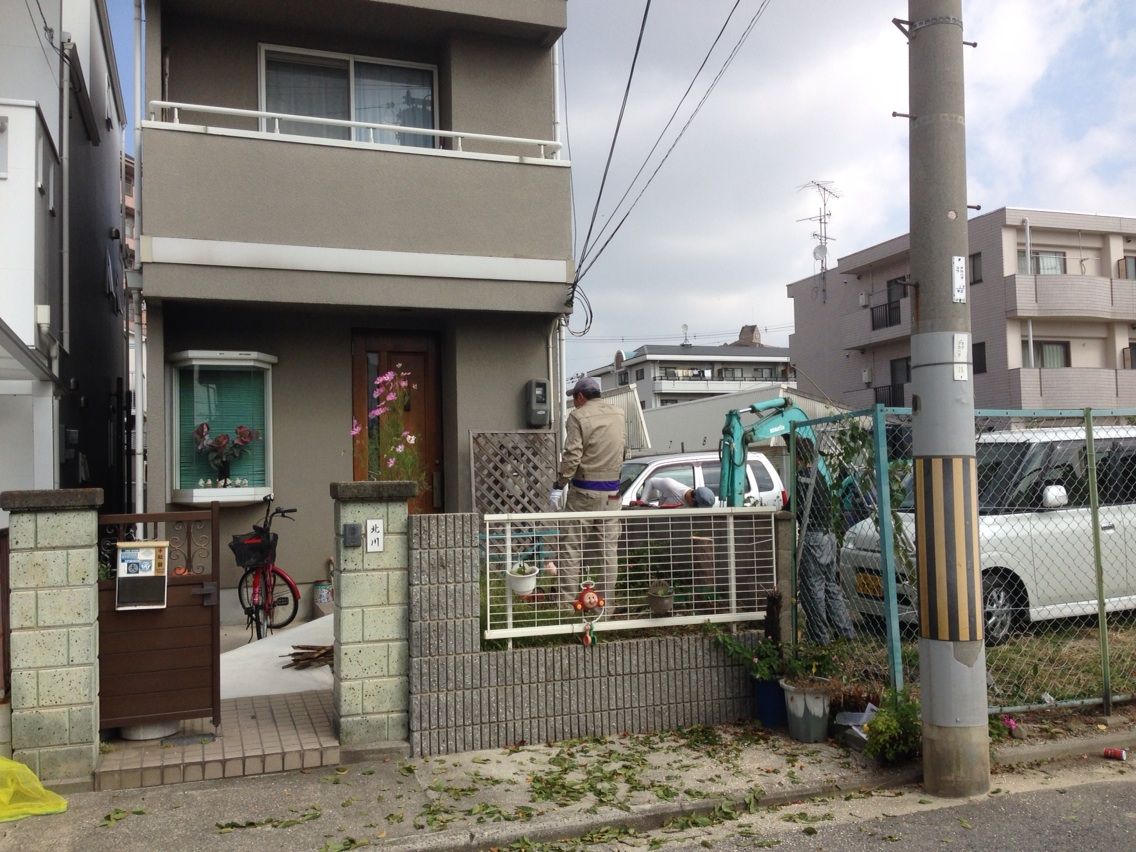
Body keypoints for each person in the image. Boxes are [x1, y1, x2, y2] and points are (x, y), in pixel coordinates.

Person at [550, 376, 626, 609]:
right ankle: (604, 608)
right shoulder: (619, 414)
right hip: (613, 493)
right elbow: (623, 450)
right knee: (608, 551)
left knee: (571, 548)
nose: (574, 403)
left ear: (580, 396)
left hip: (584, 491)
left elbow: (572, 455)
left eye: (574, 398)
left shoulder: (578, 416)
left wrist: (560, 484)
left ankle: (566, 607)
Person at [794, 436, 854, 645]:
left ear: (798, 457)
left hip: (812, 538)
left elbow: (794, 508)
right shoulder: (819, 476)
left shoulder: (803, 478)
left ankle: (820, 639)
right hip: (829, 536)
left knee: (813, 590)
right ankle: (846, 633)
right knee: (831, 587)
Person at [643, 477, 716, 508]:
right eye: (696, 506)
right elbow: (650, 481)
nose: (695, 508)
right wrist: (643, 501)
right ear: (693, 499)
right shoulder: (671, 486)